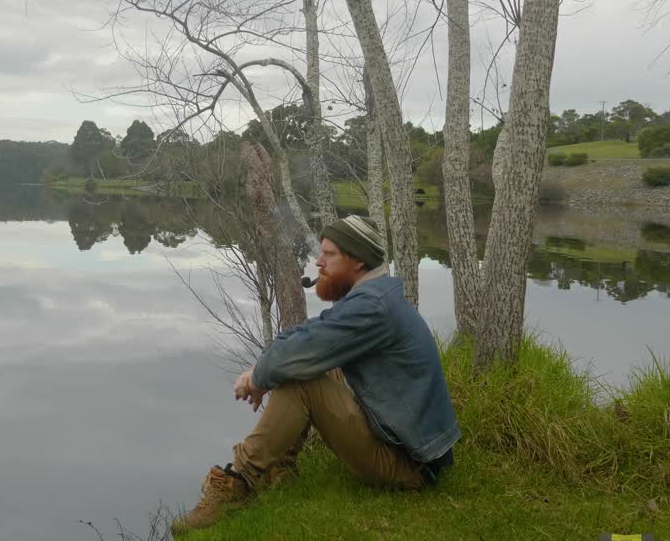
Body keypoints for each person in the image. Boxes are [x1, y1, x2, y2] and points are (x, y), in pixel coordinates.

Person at [171, 215, 460, 535]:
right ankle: (279, 466)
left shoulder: (371, 308)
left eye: (329, 254)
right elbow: (307, 337)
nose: (318, 261)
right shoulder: (374, 297)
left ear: (358, 260)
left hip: (409, 465)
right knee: (301, 363)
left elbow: (301, 349)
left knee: (301, 379)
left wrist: (256, 379)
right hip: (410, 447)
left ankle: (239, 482)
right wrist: (263, 369)